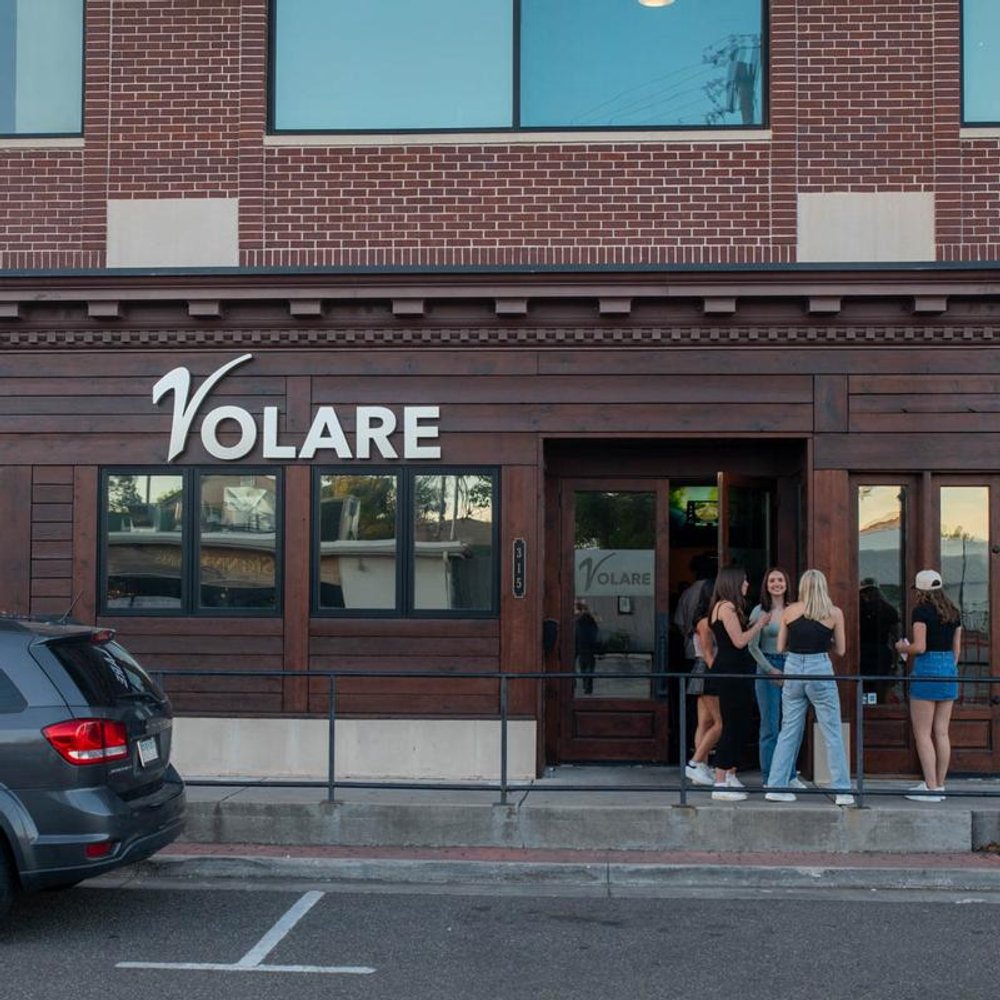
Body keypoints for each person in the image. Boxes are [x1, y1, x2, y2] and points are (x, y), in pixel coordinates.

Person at [764, 569, 854, 806]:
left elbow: (781, 646)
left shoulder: (790, 611)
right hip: (820, 668)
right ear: (823, 587)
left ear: (803, 587)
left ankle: (776, 786)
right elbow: (842, 650)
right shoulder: (834, 613)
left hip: (793, 667)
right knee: (832, 732)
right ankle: (843, 790)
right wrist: (827, 639)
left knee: (788, 731)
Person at [894, 569, 962, 802]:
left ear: (920, 590)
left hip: (927, 668)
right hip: (948, 669)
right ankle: (940, 785)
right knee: (942, 731)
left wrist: (903, 648)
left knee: (922, 733)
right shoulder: (954, 612)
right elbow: (956, 650)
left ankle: (930, 787)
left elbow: (920, 647)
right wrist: (948, 668)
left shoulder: (921, 611)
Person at [703, 566, 769, 801]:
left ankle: (729, 774)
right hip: (731, 672)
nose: (747, 585)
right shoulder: (727, 607)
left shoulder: (720, 607)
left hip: (733, 670)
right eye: (744, 581)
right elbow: (739, 642)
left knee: (739, 722)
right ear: (733, 583)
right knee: (732, 724)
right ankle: (720, 782)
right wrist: (759, 625)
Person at [748, 566, 806, 789]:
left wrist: (793, 668)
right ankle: (769, 777)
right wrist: (770, 669)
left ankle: (790, 775)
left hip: (792, 666)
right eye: (772, 580)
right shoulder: (759, 611)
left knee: (793, 724)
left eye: (780, 580)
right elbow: (752, 647)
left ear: (787, 583)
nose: (776, 584)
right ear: (766, 585)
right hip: (767, 668)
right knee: (770, 725)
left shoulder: (797, 609)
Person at [683, 579, 720, 786]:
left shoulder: (708, 620)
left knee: (705, 722)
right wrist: (720, 673)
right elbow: (707, 654)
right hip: (707, 670)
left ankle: (701, 768)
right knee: (720, 723)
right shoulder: (705, 622)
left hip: (702, 670)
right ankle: (696, 763)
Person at [858, 577, 901, 702]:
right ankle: (879, 706)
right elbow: (896, 638)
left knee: (863, 687)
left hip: (864, 652)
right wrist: (895, 663)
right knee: (880, 687)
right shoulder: (889, 610)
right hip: (880, 653)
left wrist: (895, 663)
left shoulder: (855, 610)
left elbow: (895, 638)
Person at [574, 600, 599, 695]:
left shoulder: (577, 623)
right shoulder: (591, 622)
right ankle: (588, 686)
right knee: (589, 668)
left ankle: (585, 684)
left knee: (583, 668)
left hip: (581, 648)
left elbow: (575, 636)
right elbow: (595, 634)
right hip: (589, 648)